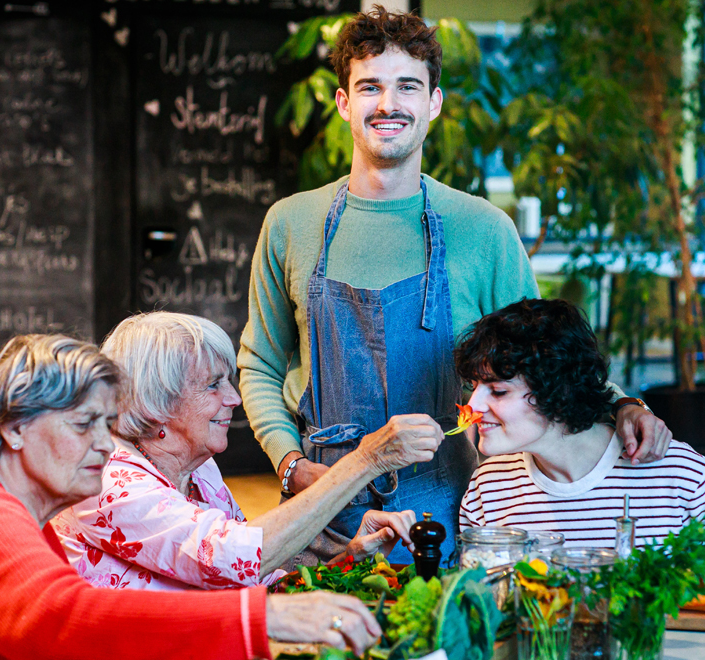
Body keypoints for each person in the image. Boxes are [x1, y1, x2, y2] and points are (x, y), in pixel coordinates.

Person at [236, 5, 672, 564]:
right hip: (321, 510)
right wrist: (295, 470)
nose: (388, 104)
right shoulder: (291, 223)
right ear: (344, 102)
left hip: (460, 515)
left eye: (408, 87)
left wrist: (624, 406)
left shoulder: (483, 229)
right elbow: (260, 365)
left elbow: (547, 359)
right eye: (369, 86)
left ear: (434, 103)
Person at [0, 334, 382, 660]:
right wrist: (265, 617)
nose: (106, 446)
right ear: (13, 429)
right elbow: (64, 618)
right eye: (84, 424)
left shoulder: (14, 509)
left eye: (108, 425)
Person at [53, 311, 437, 589]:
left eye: (230, 382)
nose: (235, 398)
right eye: (213, 386)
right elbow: (234, 559)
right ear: (156, 404)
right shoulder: (107, 481)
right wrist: (367, 460)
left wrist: (353, 557)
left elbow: (266, 584)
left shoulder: (198, 471)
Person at [457, 298, 705, 547]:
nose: (473, 406)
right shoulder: (487, 488)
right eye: (474, 387)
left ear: (559, 390)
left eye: (498, 391)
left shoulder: (681, 476)